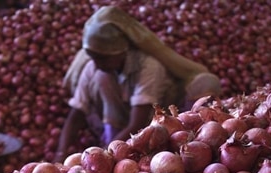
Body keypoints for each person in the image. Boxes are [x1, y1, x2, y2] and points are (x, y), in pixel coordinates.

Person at [54, 5, 221, 163]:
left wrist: (106, 155)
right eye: (94, 58)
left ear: (121, 51)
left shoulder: (149, 66)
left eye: (103, 58)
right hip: (120, 129)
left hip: (156, 126)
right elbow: (76, 115)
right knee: (102, 78)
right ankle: (111, 146)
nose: (97, 64)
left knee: (206, 82)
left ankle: (193, 139)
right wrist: (61, 154)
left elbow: (138, 123)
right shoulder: (96, 67)